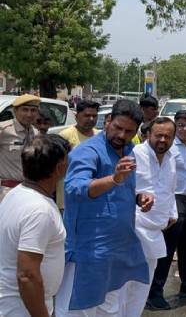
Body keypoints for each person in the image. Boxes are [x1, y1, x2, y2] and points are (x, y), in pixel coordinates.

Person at [55, 99, 154, 316]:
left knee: (112, 308)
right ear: (107, 121)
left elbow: (121, 190)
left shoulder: (129, 150)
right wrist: (114, 179)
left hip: (118, 248)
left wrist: (139, 198)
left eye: (128, 131)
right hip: (89, 252)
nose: (121, 135)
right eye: (118, 127)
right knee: (79, 309)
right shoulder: (87, 151)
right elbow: (75, 188)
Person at [147, 110, 186, 311]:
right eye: (181, 125)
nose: (185, 129)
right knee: (166, 249)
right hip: (175, 201)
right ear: (176, 126)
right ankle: (155, 293)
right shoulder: (169, 148)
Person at [0, 135, 69, 317]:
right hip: (22, 307)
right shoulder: (39, 211)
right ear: (60, 168)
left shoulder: (16, 194)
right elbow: (27, 275)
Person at [126, 117, 178, 314]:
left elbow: (170, 189)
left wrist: (172, 213)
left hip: (157, 230)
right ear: (148, 134)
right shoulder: (135, 154)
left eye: (168, 136)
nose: (163, 140)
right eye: (159, 135)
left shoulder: (172, 157)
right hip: (134, 229)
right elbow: (123, 188)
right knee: (127, 285)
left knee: (143, 285)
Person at [0, 94, 40, 203]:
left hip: (29, 191)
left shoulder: (35, 133)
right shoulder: (4, 130)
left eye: (33, 110)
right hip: (6, 191)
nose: (29, 114)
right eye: (25, 110)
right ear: (15, 111)